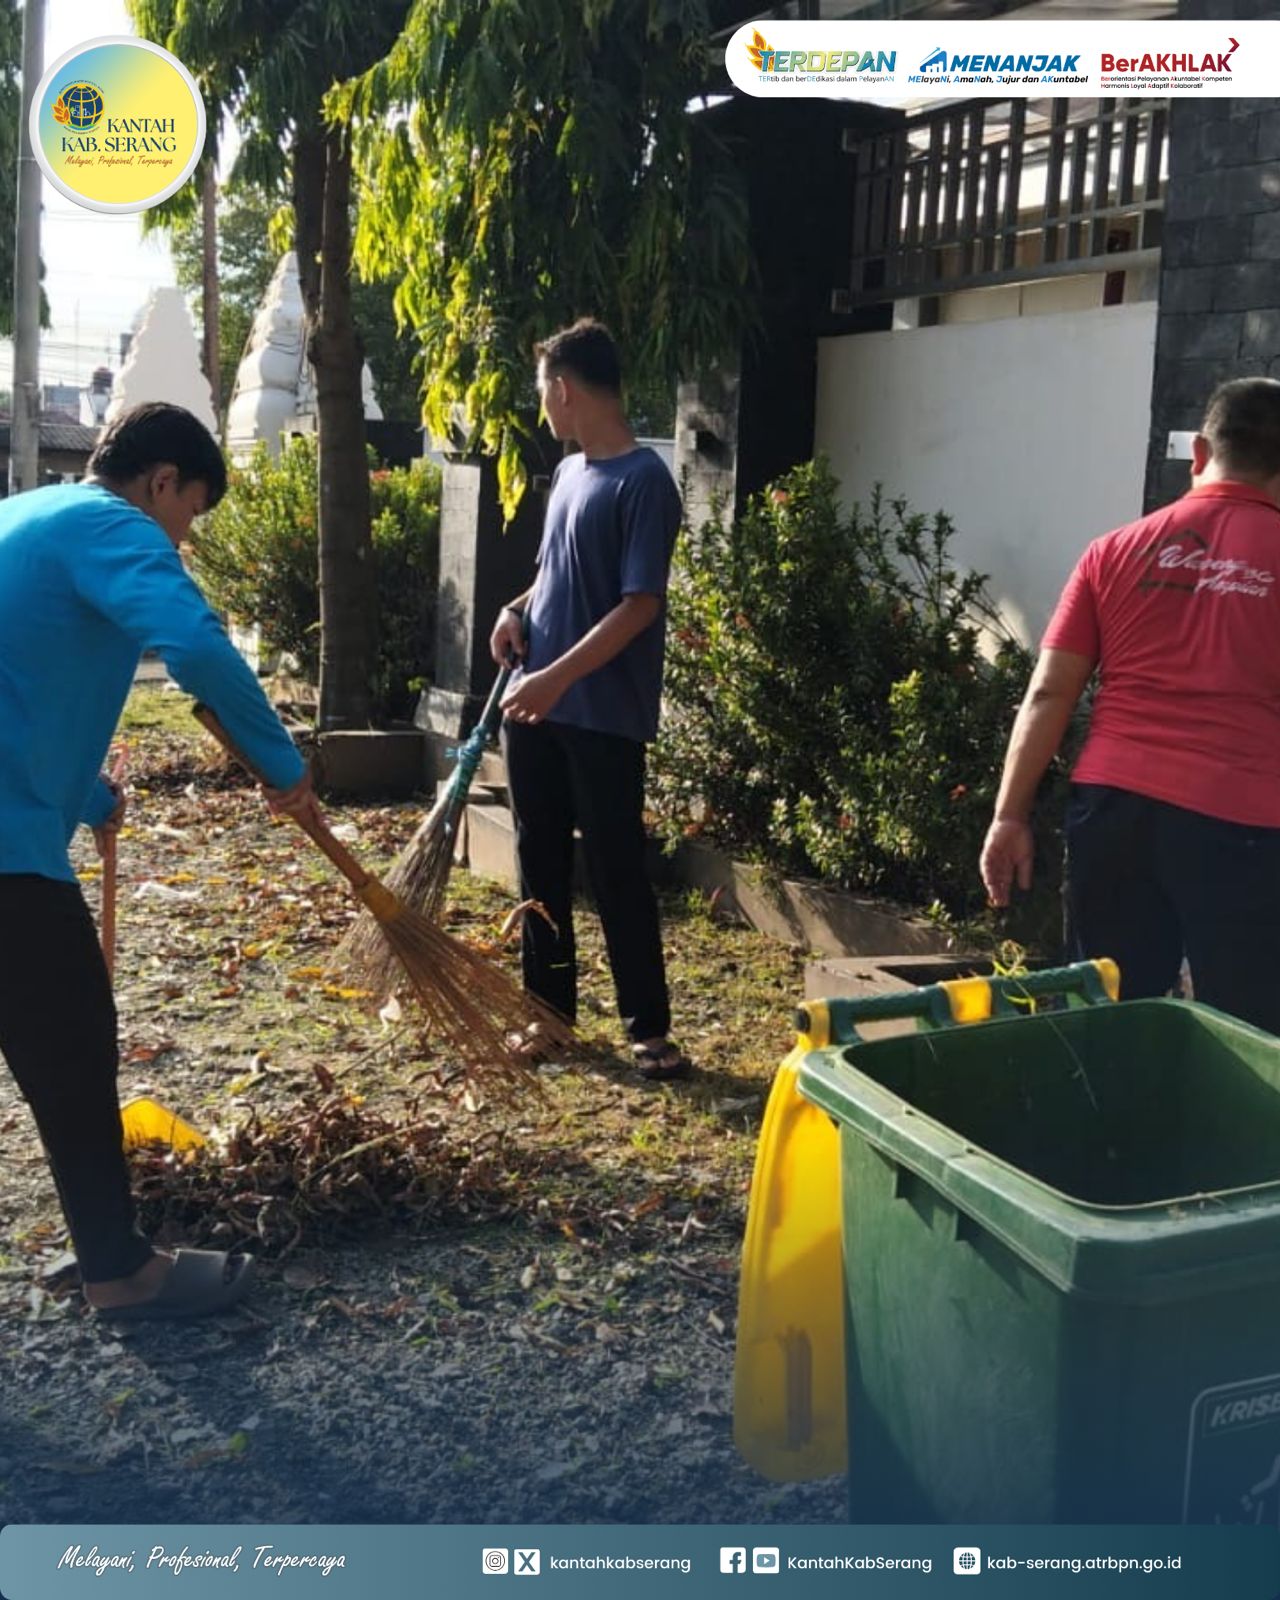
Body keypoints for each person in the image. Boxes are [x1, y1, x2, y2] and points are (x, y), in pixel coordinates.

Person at [0, 402, 323, 1319]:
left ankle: (105, 1252)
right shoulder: (113, 524)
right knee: (72, 1048)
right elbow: (193, 644)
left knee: (62, 1041)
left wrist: (89, 796)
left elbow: (19, 677)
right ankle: (122, 1272)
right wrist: (284, 768)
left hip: (15, 821)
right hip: (7, 856)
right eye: (192, 513)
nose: (185, 536)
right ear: (162, 482)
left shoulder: (24, 514)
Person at [980, 377, 1280, 1034]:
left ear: (1199, 455)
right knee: (1251, 1030)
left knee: (1103, 1006)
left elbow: (1049, 694)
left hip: (1113, 808)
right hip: (1243, 823)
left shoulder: (1111, 551)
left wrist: (1009, 816)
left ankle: (1090, 1134)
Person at [490, 318, 690, 1080]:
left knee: (615, 870)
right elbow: (554, 576)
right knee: (537, 865)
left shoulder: (645, 482)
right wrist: (515, 611)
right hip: (535, 705)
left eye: (543, 391)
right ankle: (548, 1017)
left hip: (600, 716)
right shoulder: (571, 475)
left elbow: (639, 604)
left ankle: (649, 1028)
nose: (543, 406)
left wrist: (558, 677)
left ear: (565, 389)